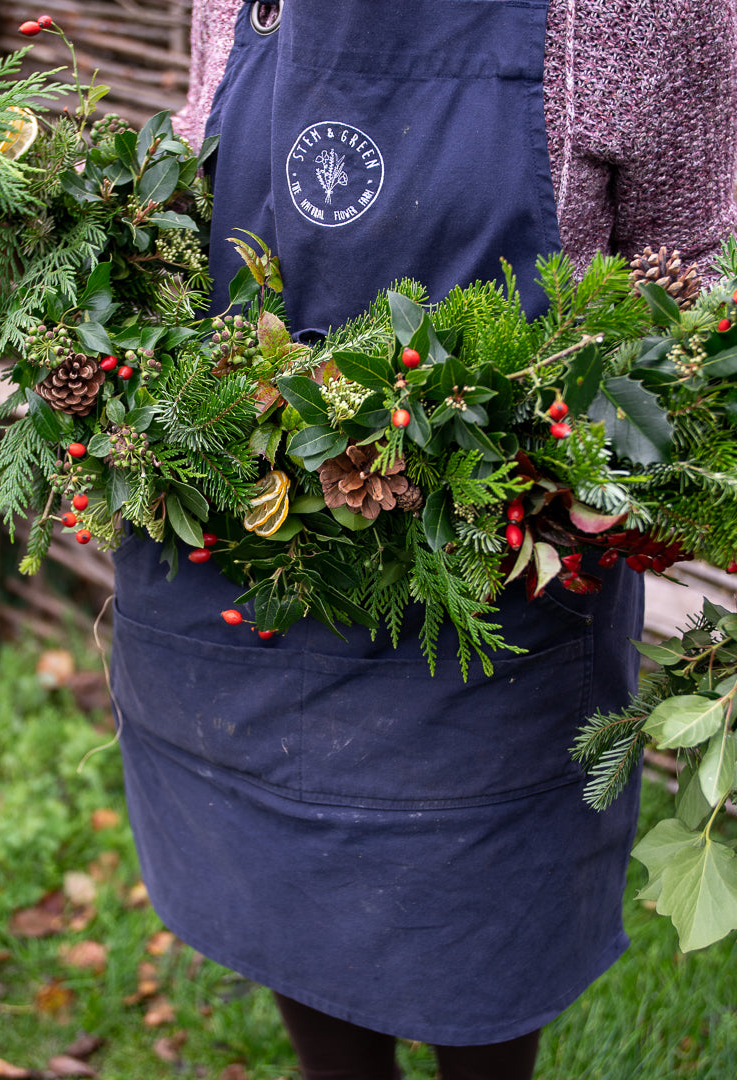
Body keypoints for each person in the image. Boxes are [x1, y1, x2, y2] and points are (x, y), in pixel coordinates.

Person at [111, 3, 737, 1078]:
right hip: (250, 605)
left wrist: (622, 439)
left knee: (480, 953)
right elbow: (197, 188)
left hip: (486, 634)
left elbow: (708, 264)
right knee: (291, 914)